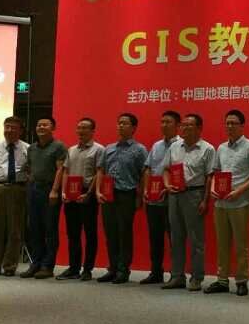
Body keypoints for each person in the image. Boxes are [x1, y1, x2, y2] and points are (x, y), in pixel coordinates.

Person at [204, 109, 249, 297]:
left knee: (241, 244)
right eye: (227, 123)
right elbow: (215, 172)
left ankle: (242, 280)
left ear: (242, 126)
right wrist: (213, 188)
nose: (229, 126)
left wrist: (238, 191)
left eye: (233, 123)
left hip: (239, 202)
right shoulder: (221, 148)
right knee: (222, 243)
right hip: (220, 203)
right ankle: (222, 280)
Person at [161, 113, 215, 291]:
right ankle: (177, 276)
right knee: (175, 237)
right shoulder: (175, 146)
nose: (184, 128)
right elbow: (166, 170)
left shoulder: (207, 149)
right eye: (182, 125)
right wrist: (167, 185)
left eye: (188, 125)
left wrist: (205, 200)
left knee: (196, 239)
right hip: (175, 195)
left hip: (195, 194)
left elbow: (210, 177)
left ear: (199, 128)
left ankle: (196, 277)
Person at [96, 113, 148, 284]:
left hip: (127, 193)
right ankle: (112, 268)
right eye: (119, 123)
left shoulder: (139, 149)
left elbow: (144, 173)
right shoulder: (109, 148)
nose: (120, 126)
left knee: (124, 232)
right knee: (110, 233)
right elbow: (101, 170)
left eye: (125, 123)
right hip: (108, 194)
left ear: (133, 128)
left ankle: (123, 269)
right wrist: (98, 191)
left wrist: (140, 196)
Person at [57, 117, 104, 281]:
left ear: (92, 131)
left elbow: (99, 173)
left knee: (90, 233)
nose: (81, 131)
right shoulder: (71, 150)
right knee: (73, 233)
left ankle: (87, 269)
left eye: (85, 128)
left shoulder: (99, 149)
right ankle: (73, 268)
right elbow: (66, 171)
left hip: (87, 194)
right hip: (71, 193)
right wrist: (63, 192)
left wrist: (89, 193)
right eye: (79, 128)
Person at [0, 116, 29, 277]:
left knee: (15, 229)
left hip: (18, 189)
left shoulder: (27, 149)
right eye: (6, 127)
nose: (9, 130)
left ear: (20, 131)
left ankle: (9, 266)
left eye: (13, 127)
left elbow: (29, 170)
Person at [20, 117, 67, 279]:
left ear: (52, 128)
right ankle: (36, 263)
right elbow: (28, 167)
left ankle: (47, 266)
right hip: (33, 189)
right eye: (39, 125)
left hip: (49, 190)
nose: (41, 127)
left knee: (49, 229)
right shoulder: (32, 148)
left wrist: (54, 190)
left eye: (45, 125)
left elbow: (61, 170)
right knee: (34, 228)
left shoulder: (58, 146)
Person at [141, 111, 181, 285]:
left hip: (172, 197)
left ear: (177, 125)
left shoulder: (181, 145)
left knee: (174, 238)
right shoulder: (156, 145)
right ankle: (156, 271)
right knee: (155, 237)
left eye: (168, 122)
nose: (164, 125)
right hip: (153, 198)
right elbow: (148, 168)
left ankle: (176, 273)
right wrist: (145, 189)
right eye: (162, 121)